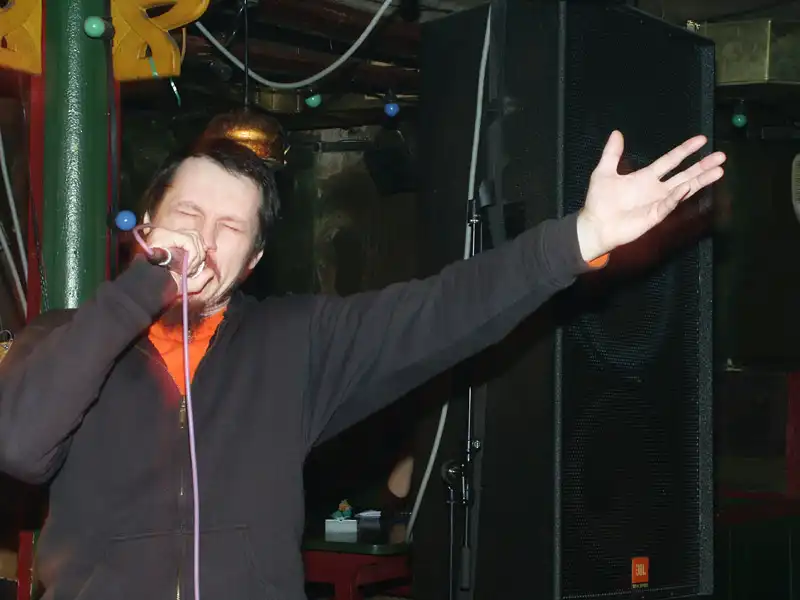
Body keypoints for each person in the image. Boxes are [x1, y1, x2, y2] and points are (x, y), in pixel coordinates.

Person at [0, 131, 725, 600]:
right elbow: (22, 447)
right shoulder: (63, 340)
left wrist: (582, 238)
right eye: (187, 216)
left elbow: (441, 311)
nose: (202, 241)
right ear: (146, 225)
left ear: (251, 262)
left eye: (229, 228)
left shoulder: (294, 342)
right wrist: (143, 289)